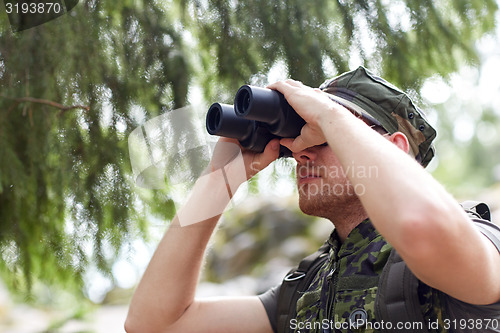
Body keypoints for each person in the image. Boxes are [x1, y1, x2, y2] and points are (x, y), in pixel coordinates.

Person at [125, 66, 500, 333]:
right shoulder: (305, 287)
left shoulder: (473, 240)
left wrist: (328, 113)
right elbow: (155, 323)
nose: (302, 153)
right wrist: (219, 179)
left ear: (395, 150)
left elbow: (419, 226)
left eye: (321, 137)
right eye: (300, 136)